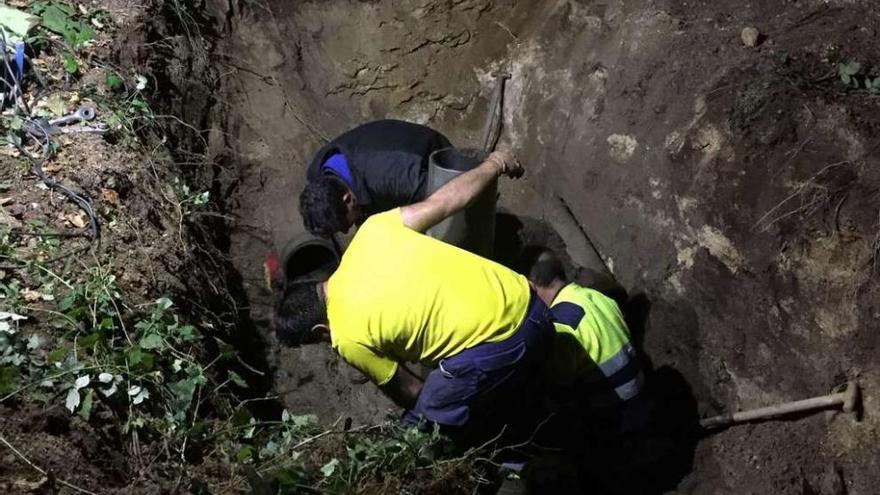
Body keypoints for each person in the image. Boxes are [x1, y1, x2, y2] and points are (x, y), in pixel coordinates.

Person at [275, 151, 554, 444]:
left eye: (321, 339)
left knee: (425, 415)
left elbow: (411, 390)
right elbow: (446, 201)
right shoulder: (373, 231)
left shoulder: (345, 337)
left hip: (514, 339)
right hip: (528, 299)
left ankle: (500, 450)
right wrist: (495, 164)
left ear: (320, 330)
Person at [520, 246, 648, 434]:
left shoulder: (561, 325)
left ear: (532, 285)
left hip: (612, 414)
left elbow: (558, 394)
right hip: (639, 395)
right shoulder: (598, 297)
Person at [299, 119, 452, 237]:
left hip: (434, 163)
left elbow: (446, 200)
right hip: (381, 162)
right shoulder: (316, 174)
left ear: (347, 199)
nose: (346, 231)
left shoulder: (392, 177)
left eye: (343, 225)